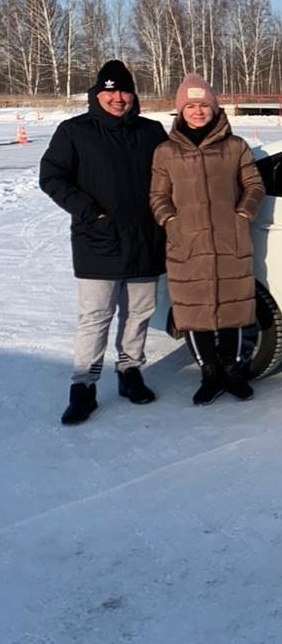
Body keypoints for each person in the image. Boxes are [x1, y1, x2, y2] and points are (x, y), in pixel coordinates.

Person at [40, 60, 168, 425]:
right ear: (97, 94)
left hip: (144, 239)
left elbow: (172, 175)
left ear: (133, 95)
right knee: (95, 317)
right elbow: (52, 176)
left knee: (139, 313)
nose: (117, 98)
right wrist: (87, 211)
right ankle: (83, 386)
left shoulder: (151, 132)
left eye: (123, 90)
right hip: (97, 240)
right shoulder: (74, 131)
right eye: (109, 91)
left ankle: (130, 372)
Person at [149, 74, 265, 405]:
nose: (198, 112)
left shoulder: (235, 147)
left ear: (214, 109)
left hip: (230, 243)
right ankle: (209, 374)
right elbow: (157, 196)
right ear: (180, 111)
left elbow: (254, 185)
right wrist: (170, 221)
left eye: (204, 105)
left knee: (232, 311)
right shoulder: (165, 152)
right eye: (191, 106)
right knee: (195, 314)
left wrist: (242, 215)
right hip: (187, 246)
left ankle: (233, 372)